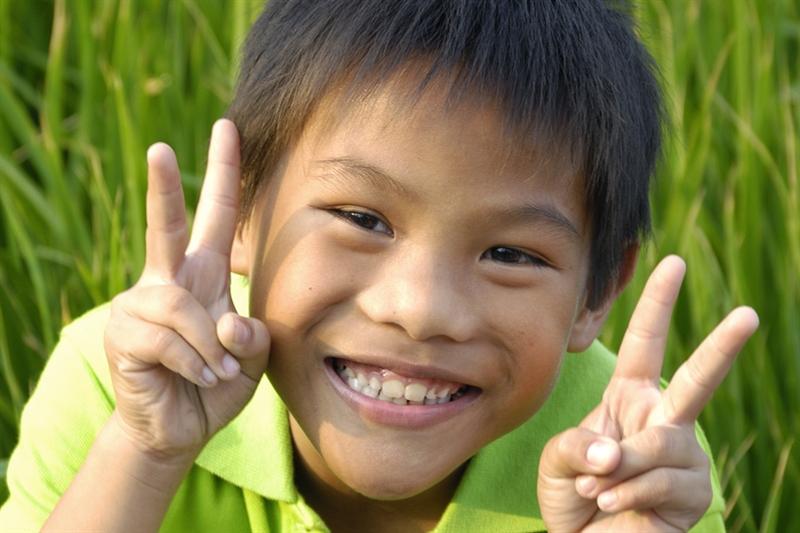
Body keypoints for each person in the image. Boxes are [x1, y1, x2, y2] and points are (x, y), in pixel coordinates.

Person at [1, 1, 759, 531]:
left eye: (510, 253)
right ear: (244, 210)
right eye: (363, 219)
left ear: (597, 293)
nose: (420, 308)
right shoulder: (119, 385)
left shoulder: (633, 461)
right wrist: (144, 450)